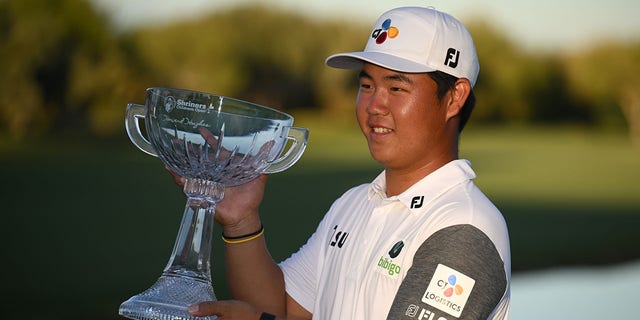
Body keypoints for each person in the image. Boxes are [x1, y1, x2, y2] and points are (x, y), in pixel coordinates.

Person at [181, 6, 511, 320]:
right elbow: (281, 309)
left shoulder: (465, 227)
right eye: (367, 85)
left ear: (454, 97)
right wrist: (242, 222)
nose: (374, 105)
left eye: (396, 87)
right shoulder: (354, 203)